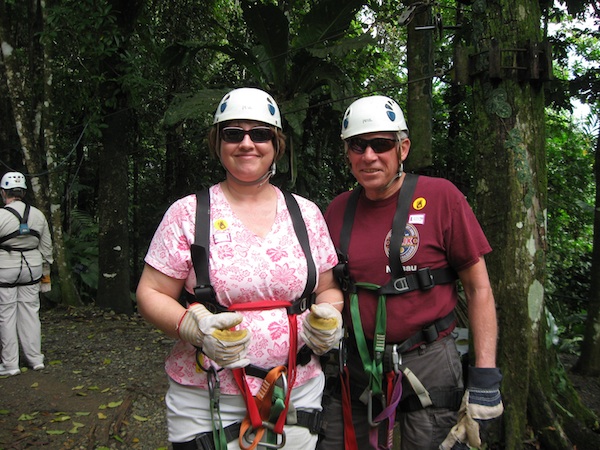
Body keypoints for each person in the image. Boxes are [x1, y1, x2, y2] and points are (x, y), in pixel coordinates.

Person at [136, 87, 343, 450]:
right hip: (208, 397)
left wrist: (330, 316)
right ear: (218, 143)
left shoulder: (306, 214)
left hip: (295, 391)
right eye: (234, 134)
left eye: (260, 133)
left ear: (276, 144)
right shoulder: (188, 213)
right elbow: (150, 292)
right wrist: (194, 328)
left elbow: (327, 287)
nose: (247, 144)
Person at [317, 95, 503, 450]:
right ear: (347, 153)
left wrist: (484, 375)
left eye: (381, 144)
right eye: (358, 145)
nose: (369, 155)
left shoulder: (441, 197)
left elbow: (479, 288)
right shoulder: (339, 209)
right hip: (355, 363)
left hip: (428, 357)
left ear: (403, 147)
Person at [0, 172, 53, 376]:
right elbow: (46, 247)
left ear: (4, 192)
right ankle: (35, 358)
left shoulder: (2, 215)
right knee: (31, 312)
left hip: (6, 269)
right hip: (33, 268)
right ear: (23, 192)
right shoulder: (38, 215)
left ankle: (11, 364)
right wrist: (45, 273)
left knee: (6, 314)